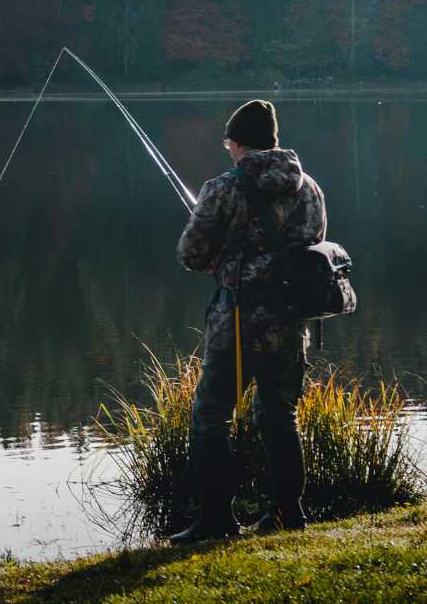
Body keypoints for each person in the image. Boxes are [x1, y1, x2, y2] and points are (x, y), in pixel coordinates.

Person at [167, 99, 327, 543]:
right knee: (280, 416)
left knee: (210, 416)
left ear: (238, 143)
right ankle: (288, 514)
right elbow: (312, 245)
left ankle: (218, 520)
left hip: (236, 321)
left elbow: (190, 255)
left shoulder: (222, 188)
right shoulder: (308, 187)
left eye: (228, 143)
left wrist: (223, 254)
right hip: (292, 322)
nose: (228, 151)